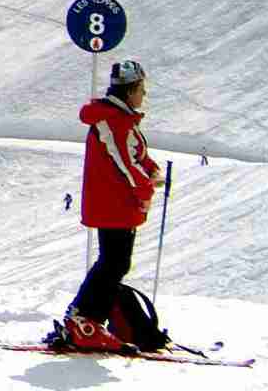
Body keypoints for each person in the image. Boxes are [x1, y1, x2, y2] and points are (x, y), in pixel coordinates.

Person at [59, 58, 163, 352]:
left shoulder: (121, 118)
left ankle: (85, 319)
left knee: (114, 262)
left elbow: (136, 155)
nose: (144, 95)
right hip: (113, 204)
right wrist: (146, 189)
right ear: (130, 91)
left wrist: (152, 170)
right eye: (141, 89)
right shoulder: (113, 120)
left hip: (117, 204)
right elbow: (125, 165)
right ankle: (85, 320)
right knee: (113, 262)